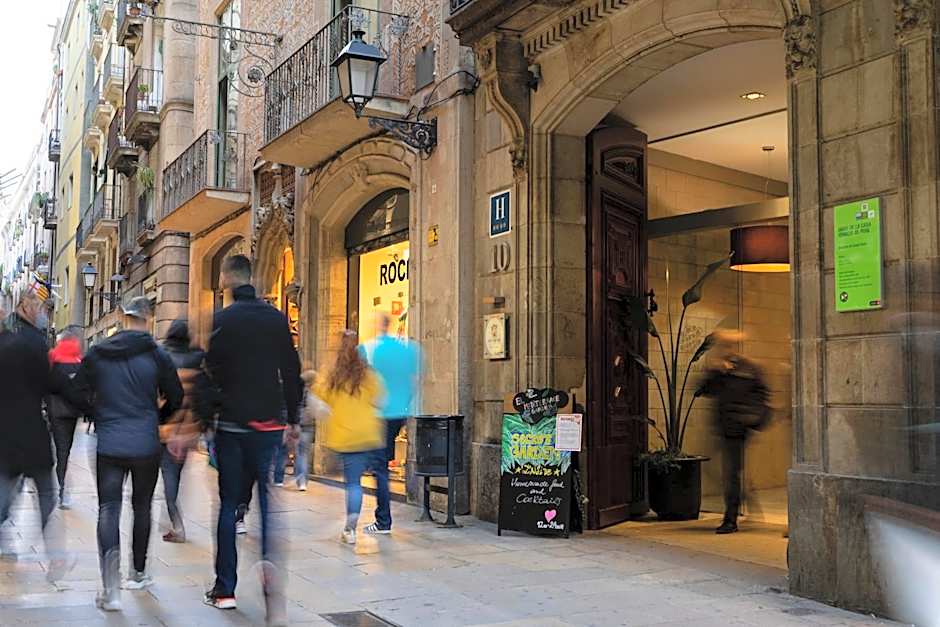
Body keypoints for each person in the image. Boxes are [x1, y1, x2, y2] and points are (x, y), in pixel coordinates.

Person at [64, 297, 183, 610]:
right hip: (145, 443)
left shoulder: (100, 352)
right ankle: (138, 573)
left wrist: (97, 412)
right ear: (149, 317)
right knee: (142, 507)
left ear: (121, 316)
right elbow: (177, 396)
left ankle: (111, 588)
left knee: (109, 508)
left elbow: (74, 392)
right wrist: (158, 418)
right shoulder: (157, 354)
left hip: (110, 442)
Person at [203, 255, 301, 613]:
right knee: (268, 503)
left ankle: (225, 589)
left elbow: (209, 371)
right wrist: (294, 419)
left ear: (229, 279)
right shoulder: (275, 319)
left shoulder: (222, 320)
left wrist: (212, 412)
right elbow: (291, 369)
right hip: (268, 425)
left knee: (229, 504)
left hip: (231, 425)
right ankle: (270, 572)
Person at [0, 287, 72, 577]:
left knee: (5, 495)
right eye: (41, 309)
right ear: (28, 309)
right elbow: (53, 383)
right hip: (32, 431)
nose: (43, 314)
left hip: (5, 434)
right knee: (45, 494)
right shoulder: (36, 344)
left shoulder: (4, 342)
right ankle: (55, 558)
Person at [698, 330, 771, 535]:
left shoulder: (751, 368)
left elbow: (762, 395)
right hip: (723, 426)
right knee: (727, 471)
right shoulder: (719, 369)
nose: (726, 349)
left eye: (729, 345)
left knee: (731, 472)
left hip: (739, 428)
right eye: (723, 345)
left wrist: (751, 417)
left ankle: (730, 519)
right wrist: (714, 372)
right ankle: (745, 499)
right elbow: (703, 391)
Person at [318, 330, 386, 545]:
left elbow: (320, 397)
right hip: (367, 433)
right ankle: (357, 518)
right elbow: (380, 400)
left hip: (345, 435)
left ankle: (351, 527)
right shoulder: (369, 374)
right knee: (368, 476)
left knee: (353, 483)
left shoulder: (333, 376)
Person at [358, 313, 421, 534]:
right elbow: (415, 382)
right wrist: (404, 404)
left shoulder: (368, 348)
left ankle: (383, 521)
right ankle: (382, 520)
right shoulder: (409, 349)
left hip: (378, 414)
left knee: (380, 469)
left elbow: (360, 381)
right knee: (384, 459)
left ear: (378, 326)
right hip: (400, 413)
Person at [160, 319, 207, 543]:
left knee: (167, 479)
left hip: (165, 428)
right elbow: (202, 398)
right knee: (175, 477)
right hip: (188, 430)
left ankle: (176, 525)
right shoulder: (198, 358)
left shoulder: (161, 356)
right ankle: (172, 517)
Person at [47, 329, 84, 510]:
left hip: (56, 411)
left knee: (59, 448)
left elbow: (46, 385)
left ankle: (60, 484)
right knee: (65, 450)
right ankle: (62, 488)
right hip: (72, 412)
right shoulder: (80, 362)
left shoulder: (52, 358)